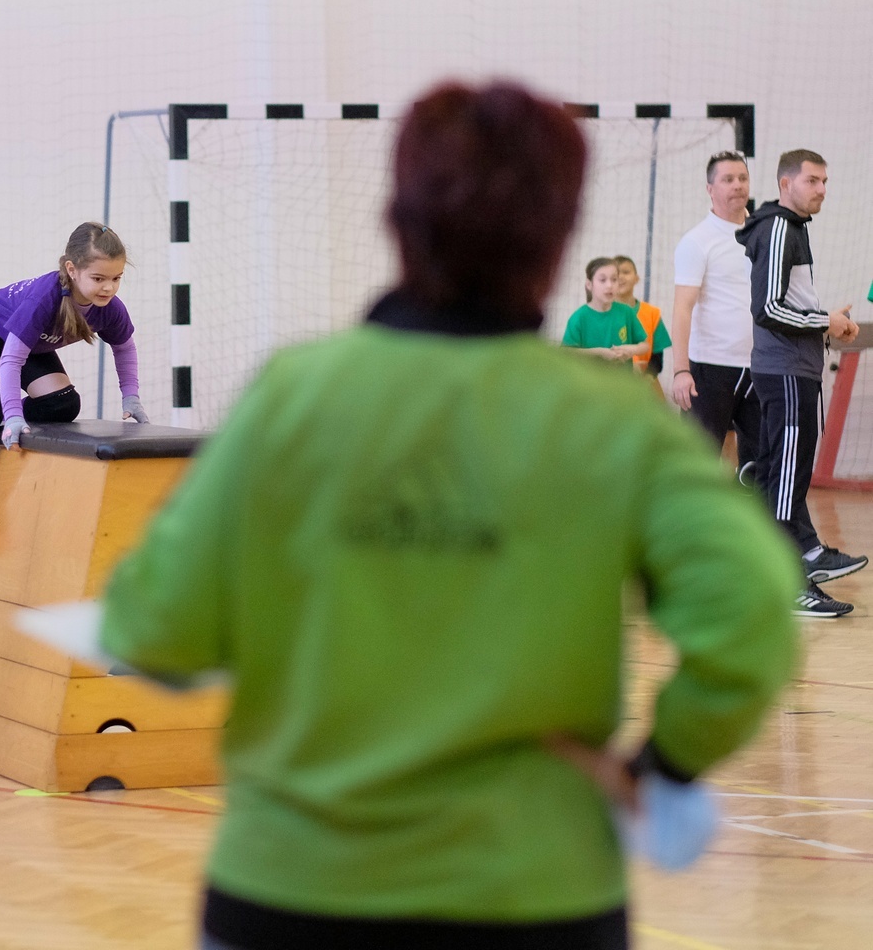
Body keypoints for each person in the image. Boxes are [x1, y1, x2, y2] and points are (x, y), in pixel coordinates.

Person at [96, 81, 799, 950]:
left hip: (292, 886)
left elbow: (154, 628)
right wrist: (663, 765)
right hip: (535, 893)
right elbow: (753, 616)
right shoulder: (611, 421)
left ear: (398, 219)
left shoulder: (294, 396)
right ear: (557, 239)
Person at [0, 223, 148, 549]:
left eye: (116, 278)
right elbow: (11, 359)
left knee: (64, 403)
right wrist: (13, 414)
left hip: (29, 348)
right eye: (99, 278)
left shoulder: (110, 309)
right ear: (72, 269)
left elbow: (124, 348)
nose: (108, 288)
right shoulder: (45, 299)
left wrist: (131, 396)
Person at [737, 149, 867, 616]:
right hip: (785, 371)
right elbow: (768, 308)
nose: (822, 190)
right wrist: (824, 321)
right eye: (813, 180)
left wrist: (825, 320)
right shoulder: (777, 228)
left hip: (795, 369)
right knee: (786, 478)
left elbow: (789, 304)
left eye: (825, 181)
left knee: (784, 475)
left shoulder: (793, 228)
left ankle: (805, 556)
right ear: (786, 183)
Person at [669, 152, 762, 471]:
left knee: (760, 466)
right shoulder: (697, 241)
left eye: (743, 178)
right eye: (728, 179)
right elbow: (682, 308)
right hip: (710, 370)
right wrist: (681, 371)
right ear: (710, 189)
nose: (738, 185)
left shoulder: (763, 234)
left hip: (759, 367)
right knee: (698, 464)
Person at [560, 258, 649, 363]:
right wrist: (599, 353)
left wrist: (631, 350)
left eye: (614, 279)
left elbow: (645, 345)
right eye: (602, 280)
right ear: (589, 284)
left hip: (622, 374)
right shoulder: (579, 317)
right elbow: (566, 352)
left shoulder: (626, 312)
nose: (609, 285)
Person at [611, 256, 669, 378]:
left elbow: (657, 359)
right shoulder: (598, 313)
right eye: (615, 274)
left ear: (636, 278)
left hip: (643, 382)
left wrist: (647, 377)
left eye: (626, 272)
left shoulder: (652, 314)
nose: (620, 277)